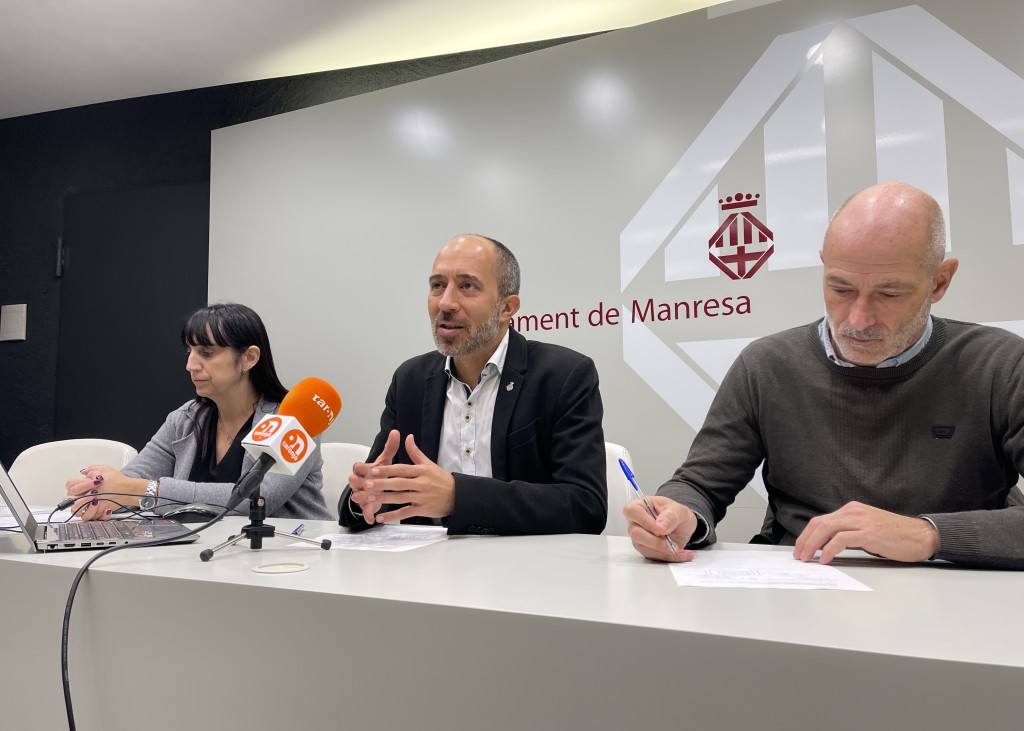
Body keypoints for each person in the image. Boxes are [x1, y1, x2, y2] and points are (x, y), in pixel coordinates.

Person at [626, 182, 1024, 569]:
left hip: (954, 588)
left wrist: (929, 535)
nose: (858, 320)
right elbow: (699, 484)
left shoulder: (1001, 365)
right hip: (802, 579)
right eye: (840, 288)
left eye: (889, 294)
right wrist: (679, 514)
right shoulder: (767, 365)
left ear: (940, 282)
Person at [339, 234, 607, 535]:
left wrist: (459, 497)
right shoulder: (410, 380)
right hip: (427, 561)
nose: (445, 302)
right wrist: (365, 499)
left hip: (528, 561)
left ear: (507, 307)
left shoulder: (563, 375)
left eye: (467, 286)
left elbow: (586, 507)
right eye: (437, 285)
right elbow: (370, 493)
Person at [64, 303, 329, 520]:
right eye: (189, 352)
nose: (191, 365)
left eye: (207, 353)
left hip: (290, 556)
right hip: (204, 553)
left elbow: (259, 499)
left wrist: (142, 490)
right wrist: (100, 492)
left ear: (249, 358)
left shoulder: (295, 419)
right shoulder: (185, 419)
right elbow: (133, 479)